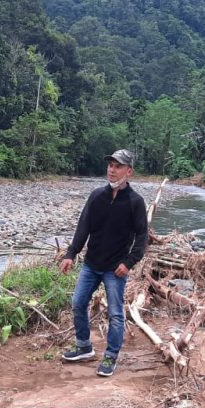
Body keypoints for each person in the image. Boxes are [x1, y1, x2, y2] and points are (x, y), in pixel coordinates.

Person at [59, 149, 148, 377]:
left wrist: (128, 263)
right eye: (110, 165)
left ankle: (111, 356)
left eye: (118, 166)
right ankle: (83, 346)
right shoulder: (97, 196)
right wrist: (70, 254)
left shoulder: (135, 202)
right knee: (78, 302)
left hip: (115, 270)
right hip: (91, 264)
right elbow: (83, 227)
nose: (112, 169)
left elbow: (141, 238)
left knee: (116, 314)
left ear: (129, 171)